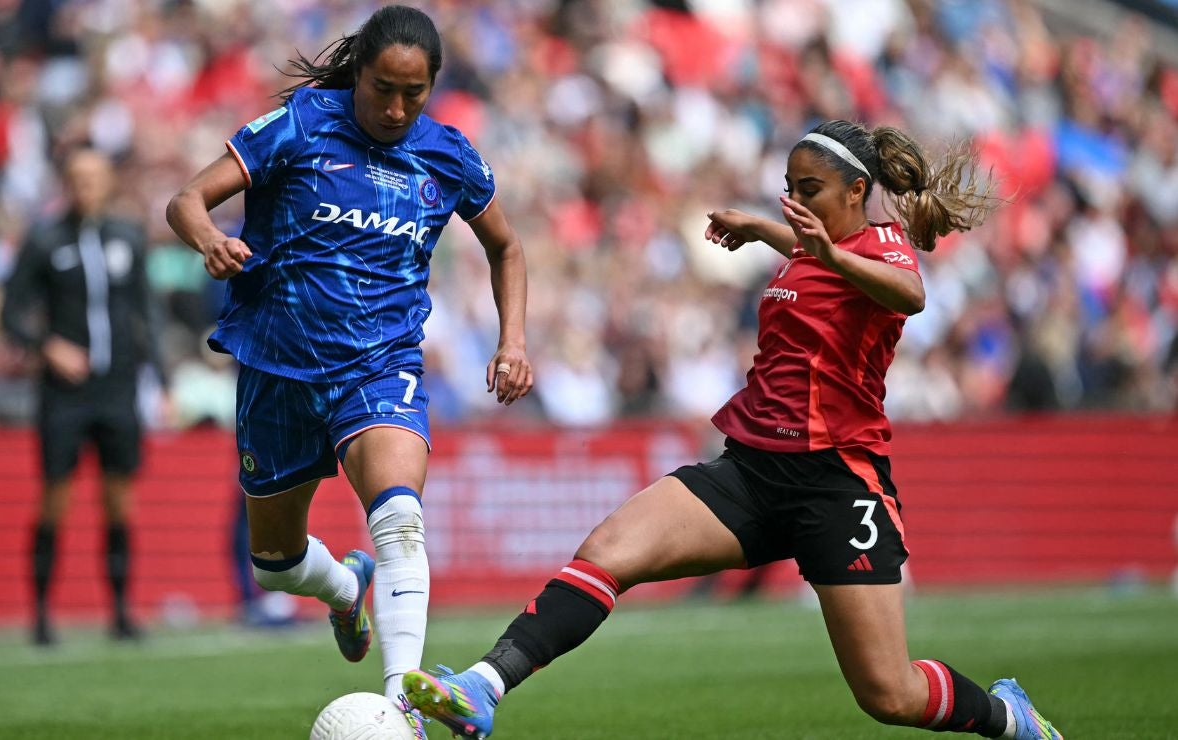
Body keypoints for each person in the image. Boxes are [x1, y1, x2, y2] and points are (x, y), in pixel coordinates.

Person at [403, 120, 1064, 740]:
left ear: (858, 191)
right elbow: (818, 258)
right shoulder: (815, 250)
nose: (794, 202)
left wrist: (823, 247)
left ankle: (1009, 718)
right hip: (752, 468)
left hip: (835, 485)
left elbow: (908, 292)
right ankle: (483, 686)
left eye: (810, 191)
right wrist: (762, 230)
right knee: (609, 550)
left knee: (888, 694)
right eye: (789, 190)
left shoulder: (877, 242)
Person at [164, 3, 532, 729]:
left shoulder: (448, 153)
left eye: (413, 93)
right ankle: (343, 587)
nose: (395, 108)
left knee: (399, 520)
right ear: (356, 75)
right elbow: (186, 200)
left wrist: (513, 340)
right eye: (381, 90)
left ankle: (405, 708)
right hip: (277, 366)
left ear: (432, 86)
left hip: (380, 363)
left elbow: (507, 247)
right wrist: (208, 237)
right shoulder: (301, 125)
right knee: (274, 559)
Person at [1, 146, 164, 646]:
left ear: (108, 181)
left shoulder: (128, 237)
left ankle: (120, 611)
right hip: (64, 394)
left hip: (116, 388)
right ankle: (42, 614)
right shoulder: (45, 239)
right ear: (65, 183)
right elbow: (11, 313)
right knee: (55, 499)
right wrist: (47, 347)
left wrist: (163, 379)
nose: (85, 186)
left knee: (119, 502)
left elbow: (146, 312)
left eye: (93, 177)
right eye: (76, 177)